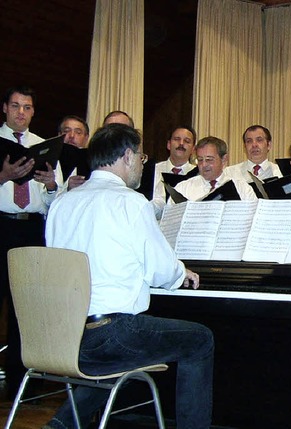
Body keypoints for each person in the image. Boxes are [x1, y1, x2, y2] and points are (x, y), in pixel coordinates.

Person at [44, 123, 214, 429]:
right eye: (141, 156)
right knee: (200, 339)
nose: (141, 164)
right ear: (126, 156)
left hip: (64, 333)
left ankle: (62, 424)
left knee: (118, 354)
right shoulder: (132, 202)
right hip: (110, 333)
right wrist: (181, 272)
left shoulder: (61, 203)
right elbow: (161, 271)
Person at [0, 85, 61, 397]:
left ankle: (23, 384)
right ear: (5, 108)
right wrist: (3, 176)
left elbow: (55, 201)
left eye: (26, 107)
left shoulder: (44, 145)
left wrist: (52, 186)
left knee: (27, 308)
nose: (20, 112)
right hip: (1, 225)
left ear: (33, 112)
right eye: (15, 106)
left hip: (32, 229)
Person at [171, 136, 257, 202]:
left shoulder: (242, 188)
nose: (204, 165)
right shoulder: (183, 189)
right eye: (200, 160)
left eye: (209, 159)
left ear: (224, 159)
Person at [151, 126, 197, 218]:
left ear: (193, 149)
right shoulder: (152, 170)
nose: (181, 143)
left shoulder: (198, 174)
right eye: (177, 139)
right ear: (168, 144)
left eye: (187, 141)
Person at [58, 115, 91, 190]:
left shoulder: (94, 162)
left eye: (78, 132)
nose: (72, 136)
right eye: (66, 131)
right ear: (59, 135)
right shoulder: (50, 159)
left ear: (86, 138)